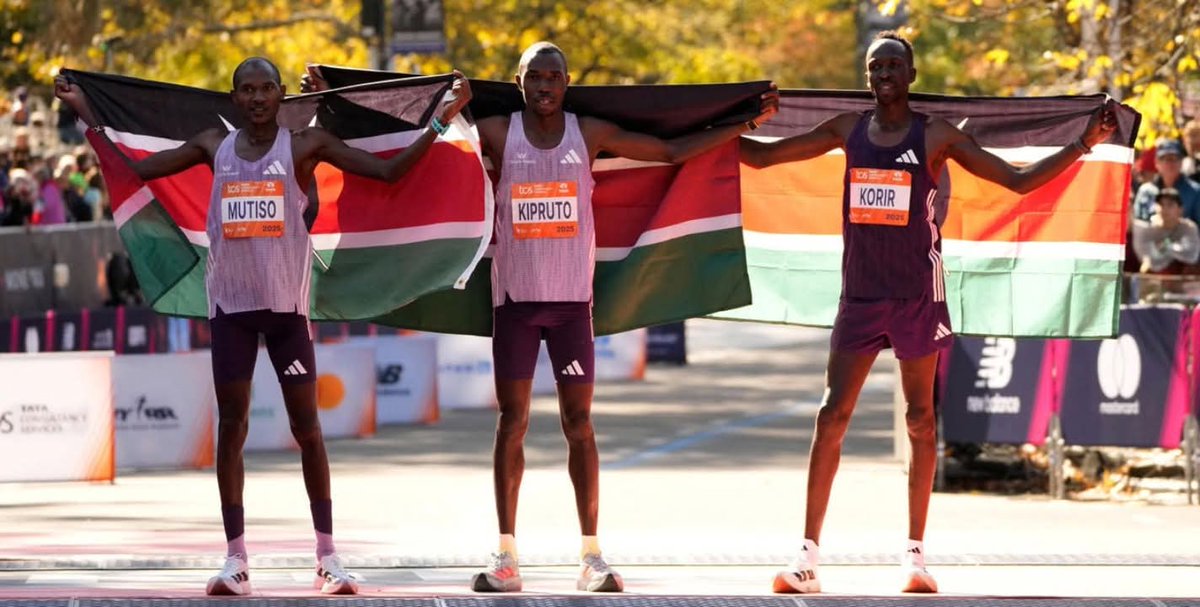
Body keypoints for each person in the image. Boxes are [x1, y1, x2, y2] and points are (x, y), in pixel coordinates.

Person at [55, 57, 472, 596]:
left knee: (307, 431)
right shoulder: (212, 145)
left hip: (285, 315)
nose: (256, 98)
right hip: (231, 310)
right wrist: (88, 113)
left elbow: (389, 172)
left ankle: (327, 557)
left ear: (279, 97)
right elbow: (139, 168)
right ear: (234, 99)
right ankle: (236, 559)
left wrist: (439, 119)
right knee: (232, 428)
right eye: (246, 90)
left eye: (265, 89)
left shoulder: (303, 147)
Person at [740, 31, 1116, 594]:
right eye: (875, 66)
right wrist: (715, 129)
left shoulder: (934, 135)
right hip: (861, 295)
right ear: (867, 76)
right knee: (830, 416)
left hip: (918, 294)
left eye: (894, 64)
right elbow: (767, 156)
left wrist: (1084, 144)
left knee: (920, 419)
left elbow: (1014, 183)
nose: (884, 72)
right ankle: (807, 557)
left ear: (910, 76)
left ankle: (915, 557)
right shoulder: (847, 129)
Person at [466, 41, 778, 594]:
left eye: (553, 77)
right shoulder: (495, 131)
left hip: (570, 308)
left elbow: (671, 151)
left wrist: (741, 123)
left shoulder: (588, 134)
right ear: (518, 82)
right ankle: (506, 555)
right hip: (514, 302)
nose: (544, 86)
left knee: (578, 425)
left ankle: (591, 555)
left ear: (566, 83)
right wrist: (337, 99)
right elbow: (420, 130)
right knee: (511, 423)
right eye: (534, 77)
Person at [1132, 187, 1200, 301]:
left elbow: (1191, 255)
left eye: (1170, 205)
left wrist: (1166, 246)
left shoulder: (1189, 228)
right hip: (1156, 289)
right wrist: (1174, 248)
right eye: (1161, 204)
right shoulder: (1148, 231)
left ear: (1180, 209)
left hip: (1186, 289)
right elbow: (1153, 261)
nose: (1165, 209)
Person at [1132, 138, 1200, 222]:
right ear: (1156, 162)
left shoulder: (1196, 192)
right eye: (1166, 158)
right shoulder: (1145, 191)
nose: (1171, 163)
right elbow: (1137, 223)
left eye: (1175, 158)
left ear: (1182, 161)